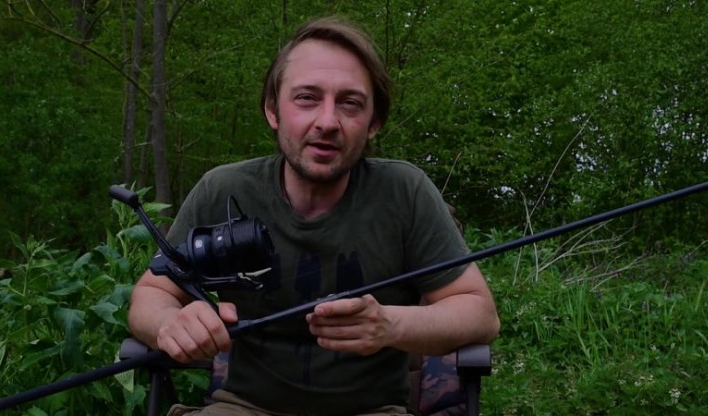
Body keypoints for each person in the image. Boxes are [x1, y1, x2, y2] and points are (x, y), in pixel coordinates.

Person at [127, 16, 500, 416]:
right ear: (273, 110)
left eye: (350, 103)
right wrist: (171, 323)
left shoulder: (404, 192)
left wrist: (390, 325)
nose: (327, 122)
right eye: (307, 98)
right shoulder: (224, 190)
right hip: (242, 407)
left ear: (374, 123)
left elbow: (480, 314)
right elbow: (152, 295)